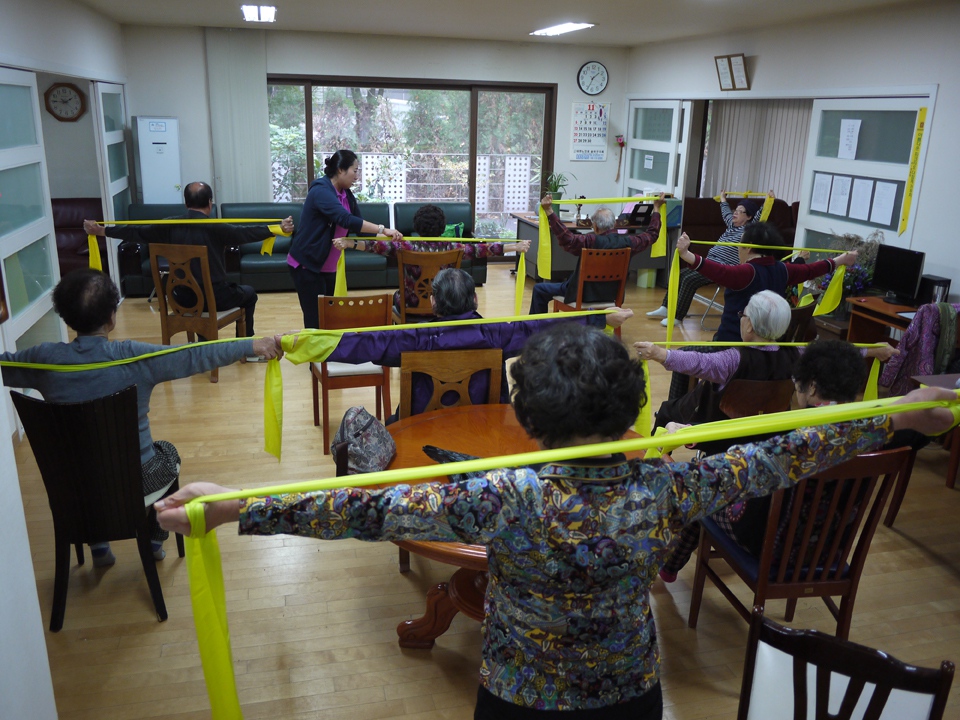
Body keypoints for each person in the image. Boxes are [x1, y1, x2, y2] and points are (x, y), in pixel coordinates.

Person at [155, 323, 954, 719]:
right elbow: (787, 456)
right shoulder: (670, 486)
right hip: (630, 693)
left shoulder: (506, 495)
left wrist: (238, 508)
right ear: (628, 409)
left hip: (521, 695)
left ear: (533, 418)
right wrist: (897, 421)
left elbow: (363, 506)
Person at [0, 269, 282, 566]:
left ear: (66, 319)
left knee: (94, 468)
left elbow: (4, 366)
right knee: (168, 454)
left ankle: (99, 546)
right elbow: (194, 355)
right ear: (112, 317)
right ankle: (153, 541)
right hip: (136, 481)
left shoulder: (44, 359)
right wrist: (251, 345)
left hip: (73, 484)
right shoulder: (132, 357)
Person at [657, 338, 925, 583]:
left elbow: (731, 474)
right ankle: (669, 566)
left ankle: (669, 567)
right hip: (828, 549)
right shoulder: (871, 434)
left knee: (708, 492)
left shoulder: (795, 439)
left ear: (813, 386)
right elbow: (919, 431)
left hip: (770, 544)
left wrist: (688, 438)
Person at [314, 267, 631, 421]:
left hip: (420, 424)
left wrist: (302, 344)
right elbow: (546, 326)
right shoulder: (498, 333)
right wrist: (600, 317)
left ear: (434, 303)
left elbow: (361, 344)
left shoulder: (410, 339)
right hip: (486, 422)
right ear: (475, 298)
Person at [84, 181, 292, 345]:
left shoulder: (169, 225)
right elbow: (246, 233)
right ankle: (246, 347)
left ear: (185, 203)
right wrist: (278, 227)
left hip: (180, 298)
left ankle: (203, 342)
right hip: (215, 299)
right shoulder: (217, 227)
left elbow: (136, 231)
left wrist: (102, 230)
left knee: (208, 291)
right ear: (210, 202)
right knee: (249, 294)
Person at [637, 291, 799, 434]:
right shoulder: (796, 354)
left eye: (743, 315)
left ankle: (654, 460)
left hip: (720, 432)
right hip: (769, 430)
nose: (741, 318)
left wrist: (658, 353)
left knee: (666, 411)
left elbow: (699, 362)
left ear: (749, 325)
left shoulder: (734, 359)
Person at [675, 222, 857, 343]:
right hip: (767, 346)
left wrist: (687, 255)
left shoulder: (748, 272)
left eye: (740, 243)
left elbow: (719, 271)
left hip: (731, 346)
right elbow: (812, 270)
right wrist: (841, 259)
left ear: (748, 246)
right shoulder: (783, 269)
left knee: (685, 355)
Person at [333, 203, 530, 313]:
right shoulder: (454, 247)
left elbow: (374, 246)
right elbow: (485, 249)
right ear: (443, 228)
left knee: (395, 296)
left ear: (416, 226)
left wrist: (349, 243)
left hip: (409, 304)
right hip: (444, 303)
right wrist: (515, 247)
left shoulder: (406, 246)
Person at [288, 149, 403, 328]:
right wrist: (383, 228)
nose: (357, 176)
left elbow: (360, 230)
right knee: (315, 320)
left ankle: (326, 354)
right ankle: (315, 356)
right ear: (341, 169)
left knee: (329, 317)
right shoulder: (321, 190)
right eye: (355, 171)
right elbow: (345, 219)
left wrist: (388, 236)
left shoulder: (346, 194)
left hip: (328, 266)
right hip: (308, 264)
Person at [528, 193, 665, 322]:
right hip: (611, 295)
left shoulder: (590, 241)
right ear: (615, 225)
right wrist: (656, 208)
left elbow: (566, 238)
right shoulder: (628, 243)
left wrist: (549, 212)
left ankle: (534, 330)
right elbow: (652, 234)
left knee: (540, 289)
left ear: (595, 226)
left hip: (581, 294)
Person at [646, 191, 769, 327]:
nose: (735, 213)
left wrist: (769, 200)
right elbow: (725, 211)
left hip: (723, 269)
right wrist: (723, 198)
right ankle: (666, 308)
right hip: (710, 263)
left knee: (689, 280)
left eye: (740, 212)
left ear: (749, 217)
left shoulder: (749, 230)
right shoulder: (731, 225)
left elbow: (761, 215)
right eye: (736, 210)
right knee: (679, 274)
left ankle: (677, 316)